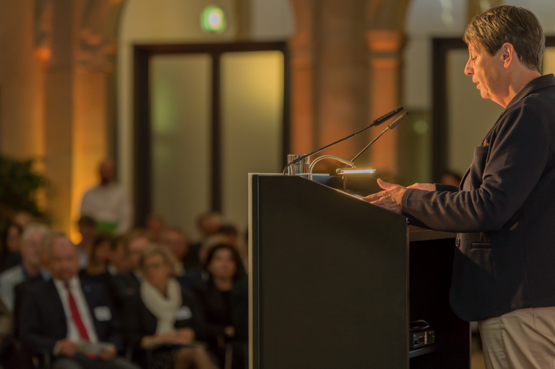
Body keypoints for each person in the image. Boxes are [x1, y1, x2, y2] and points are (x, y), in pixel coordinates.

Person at [365, 6, 555, 369]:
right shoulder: (545, 106)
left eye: (473, 56)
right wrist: (434, 192)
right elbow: (520, 199)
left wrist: (407, 199)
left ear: (505, 54)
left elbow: (490, 208)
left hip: (520, 302)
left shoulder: (528, 113)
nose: (468, 69)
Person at [19, 232, 138, 369]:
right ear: (48, 262)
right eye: (58, 260)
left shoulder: (96, 290)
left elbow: (115, 328)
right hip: (66, 358)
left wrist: (113, 346)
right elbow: (26, 335)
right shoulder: (37, 294)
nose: (64, 266)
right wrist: (57, 346)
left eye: (69, 259)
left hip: (100, 354)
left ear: (78, 260)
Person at [123, 245, 217, 369]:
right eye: (146, 267)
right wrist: (161, 339)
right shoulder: (135, 299)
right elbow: (132, 338)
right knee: (196, 353)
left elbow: (201, 328)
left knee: (197, 351)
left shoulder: (185, 295)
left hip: (186, 347)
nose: (150, 271)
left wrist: (186, 334)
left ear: (168, 267)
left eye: (155, 266)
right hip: (154, 354)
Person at [194, 243, 246, 368]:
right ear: (209, 265)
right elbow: (198, 324)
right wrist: (225, 331)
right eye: (218, 258)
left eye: (230, 259)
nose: (225, 263)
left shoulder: (246, 289)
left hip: (244, 343)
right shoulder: (200, 290)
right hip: (213, 345)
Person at [0, 223, 49, 311]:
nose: (37, 249)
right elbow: (10, 314)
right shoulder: (7, 281)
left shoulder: (50, 279)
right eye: (33, 244)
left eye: (41, 245)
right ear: (22, 247)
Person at [80, 159, 132, 235]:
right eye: (103, 171)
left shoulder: (121, 193)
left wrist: (118, 234)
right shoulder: (89, 193)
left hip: (116, 233)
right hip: (93, 234)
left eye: (108, 171)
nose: (105, 174)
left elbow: (126, 217)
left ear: (113, 172)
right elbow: (84, 215)